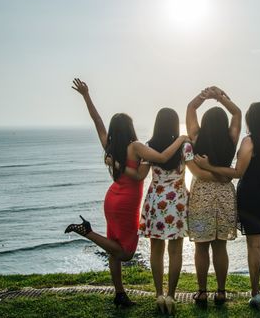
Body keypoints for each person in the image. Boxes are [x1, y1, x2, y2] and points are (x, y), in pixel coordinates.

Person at [64, 79, 187, 308]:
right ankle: (89, 232)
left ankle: (120, 294)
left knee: (113, 247)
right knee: (127, 252)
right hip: (127, 203)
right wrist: (180, 138)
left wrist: (86, 96)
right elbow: (159, 160)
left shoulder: (109, 146)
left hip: (111, 199)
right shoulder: (136, 147)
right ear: (129, 128)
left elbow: (97, 121)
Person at [194, 51, 260, 308]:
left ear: (251, 120)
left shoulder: (249, 142)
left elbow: (237, 173)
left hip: (251, 192)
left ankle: (255, 294)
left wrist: (209, 165)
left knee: (254, 245)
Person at [122, 107, 224, 314]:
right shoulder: (184, 147)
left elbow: (140, 175)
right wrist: (222, 175)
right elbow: (197, 172)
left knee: (156, 251)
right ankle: (171, 295)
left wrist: (116, 165)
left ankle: (159, 293)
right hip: (177, 201)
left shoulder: (149, 147)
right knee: (175, 251)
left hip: (156, 200)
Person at [185, 86, 241, 306]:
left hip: (201, 196)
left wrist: (203, 96)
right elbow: (237, 113)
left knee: (201, 245)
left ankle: (201, 292)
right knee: (220, 246)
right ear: (223, 124)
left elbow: (190, 108)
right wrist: (220, 98)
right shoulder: (231, 139)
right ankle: (221, 292)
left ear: (205, 122)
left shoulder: (196, 137)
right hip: (225, 195)